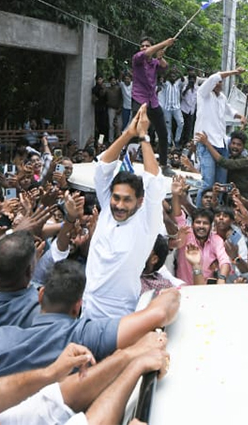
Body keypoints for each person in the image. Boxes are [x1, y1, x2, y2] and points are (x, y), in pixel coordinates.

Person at [0, 261, 180, 377]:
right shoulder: (85, 338)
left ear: (40, 295)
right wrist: (172, 292)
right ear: (78, 306)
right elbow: (160, 313)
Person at [81, 105, 169, 319]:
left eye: (127, 200)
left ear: (140, 202)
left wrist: (143, 137)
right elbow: (103, 167)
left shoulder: (147, 223)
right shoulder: (107, 212)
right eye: (116, 198)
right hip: (86, 313)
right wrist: (127, 134)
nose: (119, 205)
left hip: (119, 320)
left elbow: (155, 183)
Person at [193, 67, 247, 201]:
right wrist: (234, 72)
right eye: (217, 81)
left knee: (222, 185)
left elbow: (230, 111)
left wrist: (240, 116)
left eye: (220, 82)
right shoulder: (203, 93)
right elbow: (214, 77)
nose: (218, 83)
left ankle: (218, 212)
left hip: (222, 144)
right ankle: (200, 214)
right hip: (206, 143)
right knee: (208, 183)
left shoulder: (222, 98)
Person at [131, 36, 174, 168]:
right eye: (142, 46)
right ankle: (128, 159)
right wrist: (164, 43)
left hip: (153, 101)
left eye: (147, 45)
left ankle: (163, 164)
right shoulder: (137, 58)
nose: (144, 47)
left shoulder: (154, 62)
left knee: (163, 133)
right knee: (136, 132)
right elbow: (146, 53)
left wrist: (160, 57)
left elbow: (165, 66)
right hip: (139, 99)